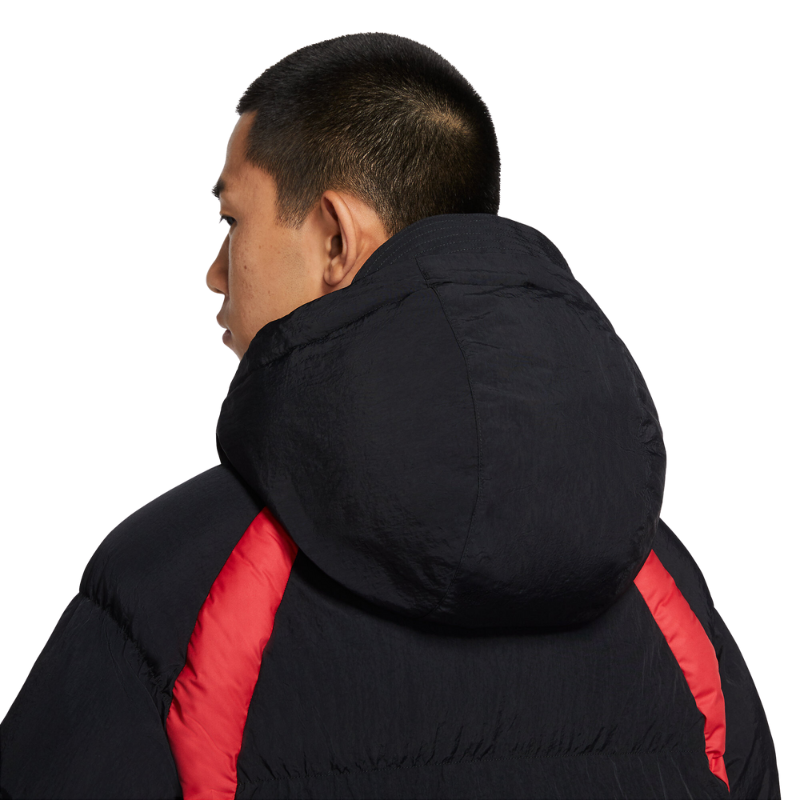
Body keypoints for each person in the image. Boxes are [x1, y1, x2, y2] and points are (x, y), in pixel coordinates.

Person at [0, 31, 780, 800]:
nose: (214, 273)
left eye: (232, 222)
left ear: (335, 239)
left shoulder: (177, 595)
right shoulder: (668, 599)